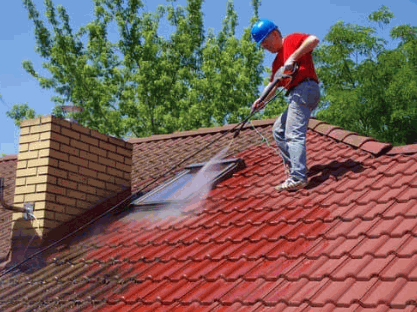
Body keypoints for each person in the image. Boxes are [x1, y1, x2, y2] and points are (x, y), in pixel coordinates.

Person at [251, 19, 321, 192]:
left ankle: (298, 177)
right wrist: (262, 100)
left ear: (275, 34)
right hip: (297, 94)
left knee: (292, 132)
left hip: (305, 88)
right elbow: (274, 85)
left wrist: (292, 57)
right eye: (263, 46)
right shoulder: (276, 63)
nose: (266, 48)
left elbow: (314, 39)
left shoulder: (291, 40)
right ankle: (297, 168)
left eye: (266, 43)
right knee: (278, 130)